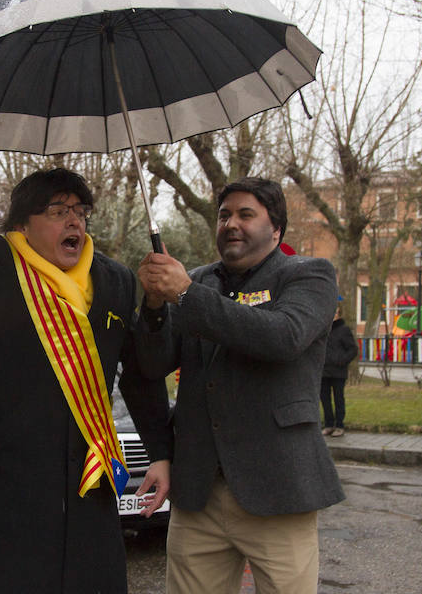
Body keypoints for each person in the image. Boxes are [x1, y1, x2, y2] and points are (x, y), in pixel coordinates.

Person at [0, 64, 172, 594]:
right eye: (58, 211)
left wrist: (160, 451)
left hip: (90, 501)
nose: (74, 221)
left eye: (80, 211)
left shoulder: (115, 281)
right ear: (22, 225)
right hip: (7, 506)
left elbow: (141, 373)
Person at [136, 176, 344, 593]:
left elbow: (283, 337)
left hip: (278, 490)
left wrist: (185, 295)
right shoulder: (196, 282)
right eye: (224, 215)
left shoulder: (309, 275)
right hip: (199, 494)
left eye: (246, 214)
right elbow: (153, 363)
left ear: (276, 228)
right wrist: (156, 305)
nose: (231, 223)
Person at [321, 304, 359, 437]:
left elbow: (353, 349)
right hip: (324, 371)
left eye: (336, 313)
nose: (333, 315)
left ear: (339, 315)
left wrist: (342, 360)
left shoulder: (344, 330)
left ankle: (339, 425)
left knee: (338, 398)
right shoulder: (323, 329)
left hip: (338, 371)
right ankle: (328, 424)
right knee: (324, 399)